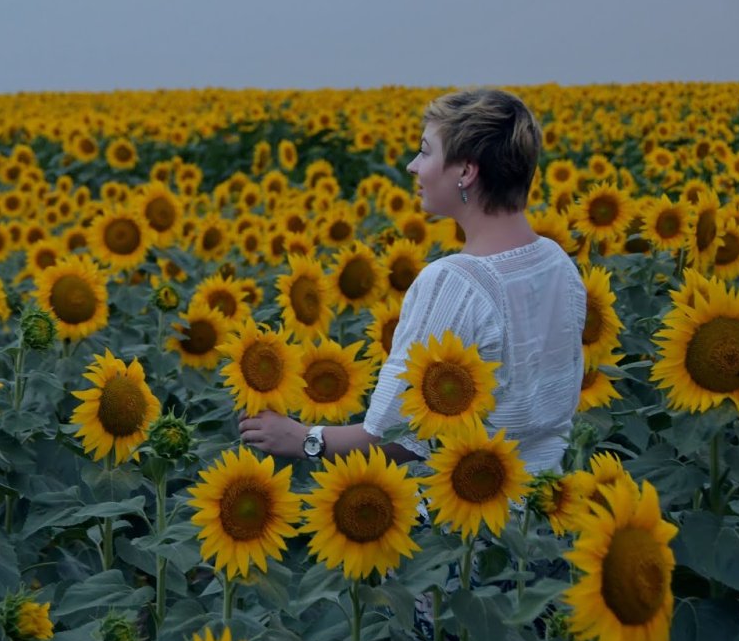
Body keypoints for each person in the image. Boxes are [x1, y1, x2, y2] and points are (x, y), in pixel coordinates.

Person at [239, 88, 586, 474]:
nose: (412, 166)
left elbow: (394, 439)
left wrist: (303, 438)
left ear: (466, 172)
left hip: (471, 516)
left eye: (425, 151)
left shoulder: (455, 283)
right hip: (547, 507)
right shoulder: (558, 263)